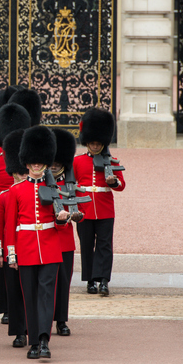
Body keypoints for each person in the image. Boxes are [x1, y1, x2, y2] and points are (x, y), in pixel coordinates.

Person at [4, 126, 69, 360]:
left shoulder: (54, 190)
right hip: (26, 248)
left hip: (50, 248)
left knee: (46, 296)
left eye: (40, 162)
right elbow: (10, 225)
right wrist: (11, 254)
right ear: (27, 162)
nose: (37, 165)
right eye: (33, 162)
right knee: (29, 296)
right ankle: (33, 340)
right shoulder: (16, 191)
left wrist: (62, 220)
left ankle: (43, 340)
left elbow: (60, 221)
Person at [0, 103, 31, 324]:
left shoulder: (28, 161)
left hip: (24, 213)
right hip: (0, 214)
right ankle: (7, 307)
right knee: (1, 263)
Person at [74, 108, 126, 296]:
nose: (95, 146)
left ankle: (103, 280)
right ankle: (89, 280)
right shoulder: (77, 161)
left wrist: (114, 182)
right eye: (92, 143)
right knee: (87, 245)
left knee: (104, 245)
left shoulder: (112, 161)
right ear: (87, 142)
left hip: (105, 209)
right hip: (84, 208)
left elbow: (121, 186)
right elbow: (72, 185)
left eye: (98, 143)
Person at [0, 129, 29, 349]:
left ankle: (30, 328)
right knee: (14, 293)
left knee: (29, 292)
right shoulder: (3, 198)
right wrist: (0, 253)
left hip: (30, 247)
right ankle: (18, 331)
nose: (22, 176)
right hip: (11, 251)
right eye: (19, 172)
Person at [51, 128, 82, 336]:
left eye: (57, 162)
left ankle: (61, 320)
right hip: (45, 239)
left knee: (63, 282)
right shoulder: (41, 184)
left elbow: (81, 207)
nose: (54, 166)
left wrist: (79, 215)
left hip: (65, 242)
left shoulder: (69, 184)